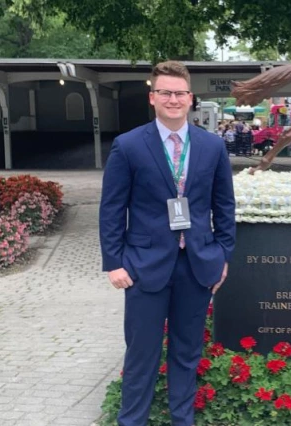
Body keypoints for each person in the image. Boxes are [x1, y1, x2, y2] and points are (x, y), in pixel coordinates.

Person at [99, 60, 236, 426]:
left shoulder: (212, 146)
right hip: (144, 267)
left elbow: (224, 206)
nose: (173, 99)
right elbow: (112, 208)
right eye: (165, 92)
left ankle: (182, 420)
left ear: (191, 98)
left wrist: (222, 255)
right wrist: (114, 262)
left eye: (179, 93)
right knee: (141, 354)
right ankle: (132, 422)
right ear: (153, 97)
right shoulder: (128, 146)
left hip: (197, 265)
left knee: (186, 354)